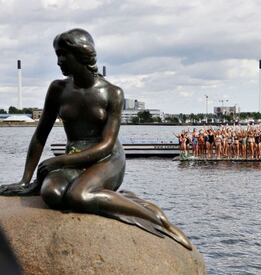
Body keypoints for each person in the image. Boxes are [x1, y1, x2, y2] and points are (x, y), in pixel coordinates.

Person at [0, 29, 191, 250]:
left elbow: (107, 144)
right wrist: (26, 180)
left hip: (107, 158)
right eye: (57, 55)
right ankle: (116, 198)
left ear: (81, 55)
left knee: (79, 196)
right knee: (51, 193)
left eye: (63, 54)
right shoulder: (57, 89)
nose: (59, 61)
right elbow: (40, 133)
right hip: (74, 156)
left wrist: (59, 162)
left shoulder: (112, 93)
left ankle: (154, 216)